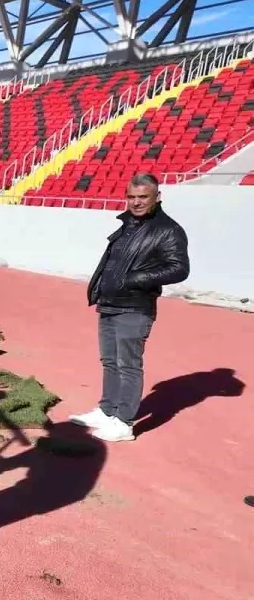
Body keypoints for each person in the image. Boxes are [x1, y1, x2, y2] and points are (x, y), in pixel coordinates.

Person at [70, 172, 189, 442]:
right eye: (131, 197)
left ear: (157, 198)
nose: (136, 202)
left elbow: (180, 268)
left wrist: (136, 280)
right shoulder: (127, 223)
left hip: (135, 306)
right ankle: (107, 409)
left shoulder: (168, 230)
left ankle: (124, 422)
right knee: (110, 361)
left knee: (128, 365)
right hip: (110, 302)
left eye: (143, 197)